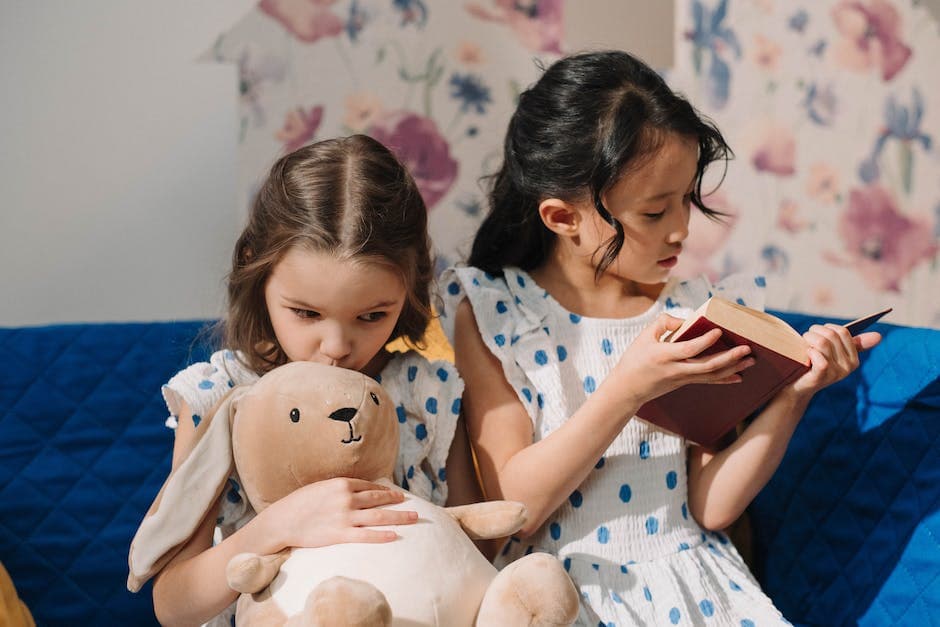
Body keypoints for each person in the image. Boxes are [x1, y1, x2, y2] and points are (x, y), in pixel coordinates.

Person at [439, 51, 882, 625]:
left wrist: (795, 395)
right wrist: (629, 388)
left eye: (687, 200)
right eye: (654, 213)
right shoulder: (497, 313)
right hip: (557, 594)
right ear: (563, 218)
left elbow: (711, 507)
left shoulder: (693, 312)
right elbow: (515, 511)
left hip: (694, 588)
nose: (681, 229)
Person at [148, 135, 478, 626]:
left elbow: (476, 548)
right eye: (306, 313)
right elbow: (173, 604)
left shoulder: (427, 392)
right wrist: (278, 526)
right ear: (256, 270)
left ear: (410, 287)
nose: (337, 346)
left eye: (372, 315)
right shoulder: (219, 396)